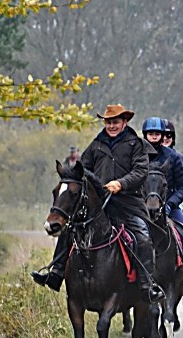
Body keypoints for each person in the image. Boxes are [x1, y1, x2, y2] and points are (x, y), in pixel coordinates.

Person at [31, 104, 165, 304]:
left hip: (129, 203)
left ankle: (148, 285)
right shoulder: (97, 144)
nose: (111, 126)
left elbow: (140, 171)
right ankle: (56, 272)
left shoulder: (136, 144)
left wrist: (121, 183)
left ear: (124, 122)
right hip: (101, 203)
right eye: (108, 122)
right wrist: (77, 177)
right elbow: (82, 169)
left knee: (143, 238)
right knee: (69, 230)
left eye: (115, 122)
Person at [142, 117, 183, 290]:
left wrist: (170, 204)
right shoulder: (138, 156)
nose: (154, 137)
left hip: (170, 206)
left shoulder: (173, 157)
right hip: (142, 207)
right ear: (145, 135)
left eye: (157, 134)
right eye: (151, 134)